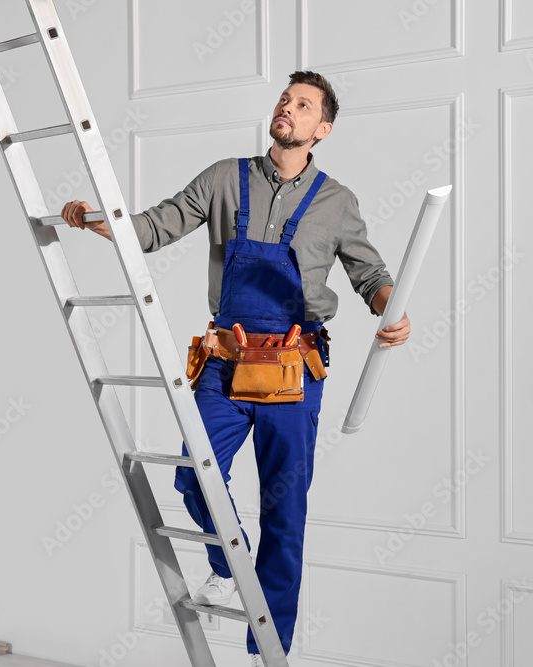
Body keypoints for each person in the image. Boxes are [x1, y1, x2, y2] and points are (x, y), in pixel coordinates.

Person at [60, 71, 410, 664]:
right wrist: (92, 217)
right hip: (224, 367)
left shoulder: (336, 202)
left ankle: (265, 651)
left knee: (284, 512)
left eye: (303, 106)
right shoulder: (226, 178)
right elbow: (150, 229)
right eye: (284, 99)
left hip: (295, 373)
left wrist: (390, 309)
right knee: (194, 474)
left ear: (321, 129)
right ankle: (228, 566)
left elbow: (370, 277)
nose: (287, 109)